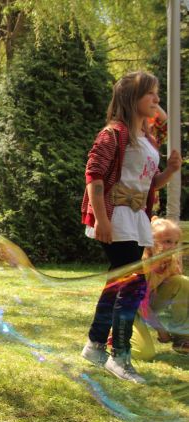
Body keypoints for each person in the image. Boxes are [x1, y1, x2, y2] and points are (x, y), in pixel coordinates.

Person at [80, 71, 182, 383]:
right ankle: (119, 355)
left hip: (136, 217)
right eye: (150, 94)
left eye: (158, 94)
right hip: (115, 216)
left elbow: (150, 183)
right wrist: (102, 220)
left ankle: (95, 346)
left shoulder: (147, 139)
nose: (157, 100)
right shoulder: (114, 134)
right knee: (133, 284)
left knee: (119, 283)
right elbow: (94, 176)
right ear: (130, 98)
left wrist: (171, 171)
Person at [131, 217, 189, 360]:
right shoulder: (142, 264)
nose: (173, 246)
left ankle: (181, 338)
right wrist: (160, 329)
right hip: (128, 309)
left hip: (149, 305)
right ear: (151, 241)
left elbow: (180, 292)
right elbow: (140, 303)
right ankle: (112, 334)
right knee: (144, 354)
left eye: (176, 242)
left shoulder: (169, 261)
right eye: (167, 241)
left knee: (182, 282)